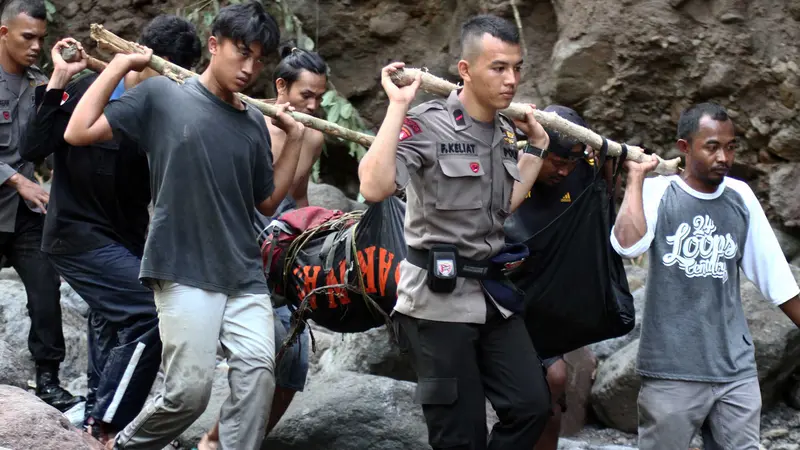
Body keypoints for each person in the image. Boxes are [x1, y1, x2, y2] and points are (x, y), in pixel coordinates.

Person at [64, 2, 305, 449]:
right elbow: (78, 131)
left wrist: (292, 139)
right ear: (213, 45)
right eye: (241, 53)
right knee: (188, 396)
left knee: (257, 377)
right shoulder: (163, 97)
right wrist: (119, 65)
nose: (249, 68)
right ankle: (124, 445)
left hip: (243, 274)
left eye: (257, 58)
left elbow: (267, 201)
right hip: (181, 267)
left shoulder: (253, 120)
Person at [359, 14, 553, 450]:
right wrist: (397, 107)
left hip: (490, 298)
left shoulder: (504, 132)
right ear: (465, 70)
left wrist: (536, 148)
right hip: (435, 303)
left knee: (531, 406)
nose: (511, 80)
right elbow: (373, 186)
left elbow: (504, 204)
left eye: (517, 68)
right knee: (458, 437)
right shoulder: (428, 124)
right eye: (498, 67)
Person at [20, 16, 201, 442]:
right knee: (147, 314)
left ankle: (90, 422)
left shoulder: (169, 117)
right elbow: (32, 148)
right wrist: (59, 78)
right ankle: (105, 427)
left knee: (112, 324)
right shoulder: (88, 92)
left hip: (126, 240)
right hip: (75, 234)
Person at [611, 102, 800, 449]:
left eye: (730, 146)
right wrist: (636, 179)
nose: (724, 157)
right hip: (671, 370)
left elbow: (776, 277)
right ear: (685, 148)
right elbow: (627, 246)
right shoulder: (658, 192)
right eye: (712, 146)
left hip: (734, 370)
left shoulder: (739, 196)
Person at [200, 44, 328, 450]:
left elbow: (299, 197)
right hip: (239, 256)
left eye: (319, 97)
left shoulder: (315, 135)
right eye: (306, 95)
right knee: (262, 356)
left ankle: (237, 442)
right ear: (281, 87)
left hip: (285, 259)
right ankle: (213, 441)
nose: (313, 104)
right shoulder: (248, 121)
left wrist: (316, 242)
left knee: (294, 362)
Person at [504, 105, 610, 450]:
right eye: (557, 162)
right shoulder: (511, 163)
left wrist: (607, 158)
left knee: (554, 383)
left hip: (550, 295)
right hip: (501, 293)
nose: (563, 171)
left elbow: (609, 187)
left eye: (571, 164)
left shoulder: (584, 171)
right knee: (545, 382)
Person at [0, 0, 83, 412]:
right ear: (3, 33)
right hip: (13, 194)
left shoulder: (39, 83)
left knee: (46, 291)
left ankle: (47, 380)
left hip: (24, 213)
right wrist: (17, 179)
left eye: (40, 38)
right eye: (26, 37)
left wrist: (66, 75)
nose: (35, 46)